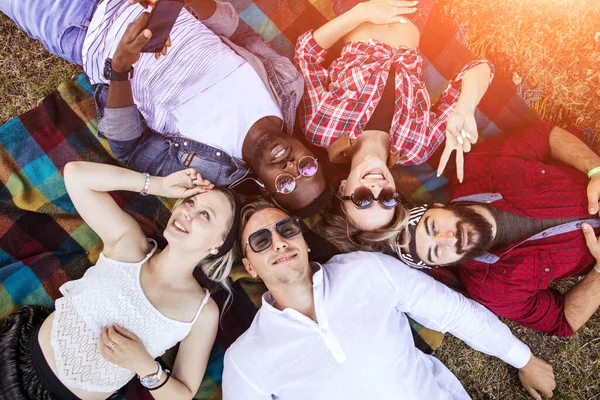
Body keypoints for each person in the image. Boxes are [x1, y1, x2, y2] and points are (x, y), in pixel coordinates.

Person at [0, 0, 331, 217]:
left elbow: (128, 145)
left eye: (286, 183)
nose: (290, 166)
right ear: (311, 154)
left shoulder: (207, 171)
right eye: (306, 168)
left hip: (82, 27)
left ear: (265, 188)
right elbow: (238, 31)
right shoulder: (288, 86)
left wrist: (120, 68)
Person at [221, 201, 556, 400]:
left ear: (305, 242)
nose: (278, 242)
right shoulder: (245, 359)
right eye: (261, 240)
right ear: (249, 266)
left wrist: (523, 359)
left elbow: (452, 312)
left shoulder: (367, 271)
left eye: (286, 229)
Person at [0, 161, 239, 399]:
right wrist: (160, 184)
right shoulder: (129, 243)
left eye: (205, 214)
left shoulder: (202, 312)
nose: (187, 211)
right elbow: (76, 175)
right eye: (190, 201)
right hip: (14, 363)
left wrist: (146, 367)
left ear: (217, 245)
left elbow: (182, 395)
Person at [295, 0, 493, 232]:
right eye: (387, 199)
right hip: (411, 12)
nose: (376, 189)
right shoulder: (418, 147)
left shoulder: (320, 128)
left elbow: (305, 54)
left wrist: (362, 12)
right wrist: (464, 109)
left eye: (362, 199)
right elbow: (481, 68)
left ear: (342, 189)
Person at [392, 122, 600, 337]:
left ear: (437, 207)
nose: (448, 238)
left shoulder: (481, 166)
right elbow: (562, 321)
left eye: (433, 226)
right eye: (436, 252)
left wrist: (595, 170)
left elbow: (546, 136)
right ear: (443, 264)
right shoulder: (494, 289)